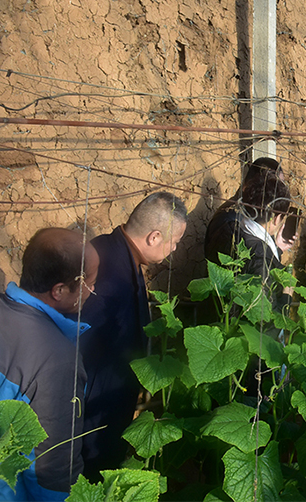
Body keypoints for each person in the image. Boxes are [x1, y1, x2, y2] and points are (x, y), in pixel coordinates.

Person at [0, 228, 99, 501]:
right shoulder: (58, 360)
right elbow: (52, 469)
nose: (92, 292)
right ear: (59, 290)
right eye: (89, 284)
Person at [79, 192, 187, 480]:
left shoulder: (113, 251)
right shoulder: (107, 273)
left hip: (104, 407)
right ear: (154, 237)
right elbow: (83, 348)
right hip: (92, 416)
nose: (174, 248)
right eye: (175, 241)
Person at [206, 171, 293, 314]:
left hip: (216, 317)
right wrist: (287, 296)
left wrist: (276, 249)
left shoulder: (229, 229)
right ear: (277, 218)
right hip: (239, 326)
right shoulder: (261, 256)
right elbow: (265, 319)